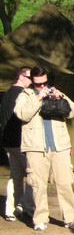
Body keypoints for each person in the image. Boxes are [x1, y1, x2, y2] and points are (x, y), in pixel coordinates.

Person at [14, 66, 74, 232]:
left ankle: (71, 218)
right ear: (32, 83)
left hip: (60, 146)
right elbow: (22, 114)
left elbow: (73, 111)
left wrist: (60, 98)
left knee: (65, 183)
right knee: (38, 186)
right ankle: (40, 219)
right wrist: (38, 99)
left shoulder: (55, 91)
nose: (42, 87)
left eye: (44, 83)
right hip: (36, 148)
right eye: (38, 84)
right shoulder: (25, 96)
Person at [1, 66, 34, 221]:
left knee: (16, 175)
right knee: (32, 175)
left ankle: (11, 209)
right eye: (29, 78)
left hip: (8, 141)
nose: (31, 81)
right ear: (21, 77)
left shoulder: (7, 93)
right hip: (19, 141)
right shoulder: (21, 94)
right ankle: (25, 206)